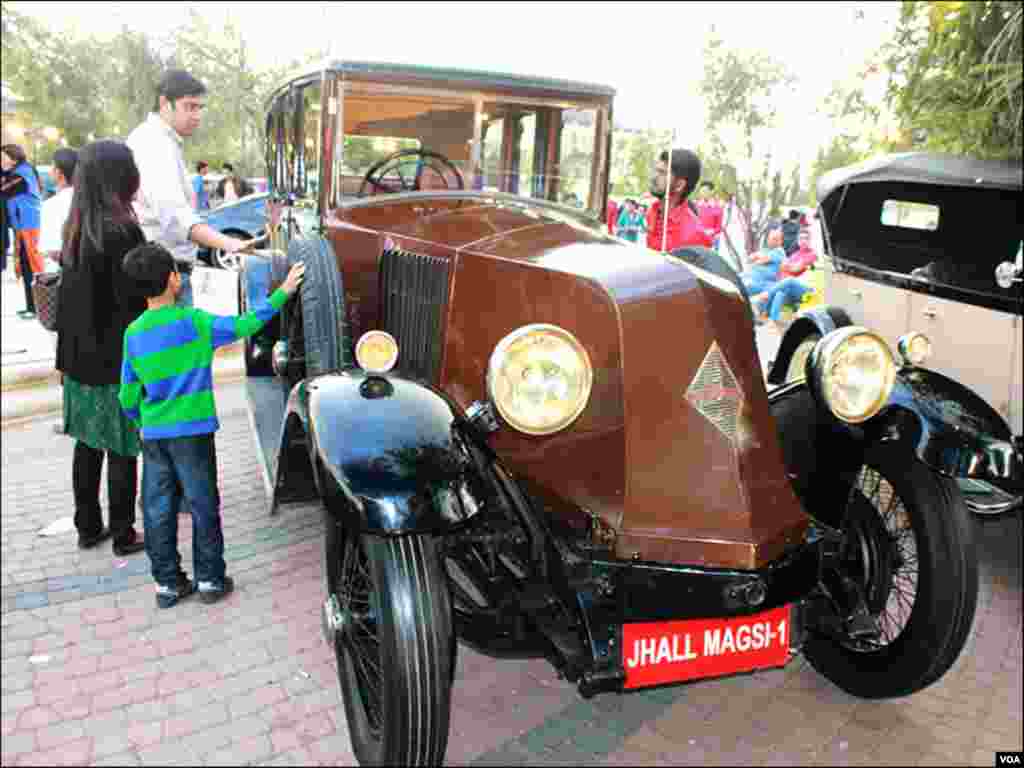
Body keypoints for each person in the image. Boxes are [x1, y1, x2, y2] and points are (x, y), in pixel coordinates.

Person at [120, 243, 305, 608]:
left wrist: (142, 421)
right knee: (203, 503)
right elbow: (246, 324)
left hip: (155, 436)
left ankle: (168, 585)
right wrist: (284, 291)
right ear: (174, 280)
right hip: (193, 434)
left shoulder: (133, 333)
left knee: (158, 509)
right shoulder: (195, 322)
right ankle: (209, 579)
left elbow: (127, 395)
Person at [55, 140, 149, 556]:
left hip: (77, 357)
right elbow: (134, 300)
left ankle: (87, 526)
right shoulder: (122, 230)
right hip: (115, 358)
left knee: (88, 444)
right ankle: (124, 531)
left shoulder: (76, 227)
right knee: (123, 446)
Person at [126, 69, 250, 308]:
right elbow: (175, 217)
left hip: (168, 270)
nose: (196, 116)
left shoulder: (164, 141)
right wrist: (229, 243)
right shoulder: (154, 143)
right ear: (165, 103)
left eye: (199, 108)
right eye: (189, 106)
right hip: (162, 278)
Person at [1, 144, 44, 318]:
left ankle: (38, 307)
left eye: (3, 157)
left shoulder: (21, 174)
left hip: (29, 225)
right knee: (26, 266)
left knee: (33, 266)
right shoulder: (18, 171)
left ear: (13, 157)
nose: (1, 161)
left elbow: (4, 189)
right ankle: (31, 307)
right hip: (23, 225)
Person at [646, 149, 713, 252]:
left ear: (680, 185)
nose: (653, 177)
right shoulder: (653, 211)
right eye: (656, 170)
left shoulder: (694, 235)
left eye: (662, 173)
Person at [752, 229, 818, 333]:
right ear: (798, 240)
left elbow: (794, 269)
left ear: (810, 240)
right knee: (781, 290)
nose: (803, 241)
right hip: (790, 289)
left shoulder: (812, 254)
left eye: (806, 238)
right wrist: (788, 266)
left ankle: (763, 299)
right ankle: (771, 320)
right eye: (801, 238)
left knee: (789, 280)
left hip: (806, 290)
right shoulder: (794, 255)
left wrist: (788, 266)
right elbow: (784, 268)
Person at [40, 147, 79, 264]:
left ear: (59, 172)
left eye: (52, 166)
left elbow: (53, 251)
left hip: (64, 273)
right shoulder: (92, 199)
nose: (50, 171)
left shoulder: (52, 205)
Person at [740, 226, 785, 298]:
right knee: (734, 280)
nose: (770, 241)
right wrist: (757, 257)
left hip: (762, 282)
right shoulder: (765, 250)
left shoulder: (779, 251)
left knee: (741, 287)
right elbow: (749, 259)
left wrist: (757, 257)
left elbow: (764, 259)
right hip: (750, 277)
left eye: (774, 239)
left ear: (780, 241)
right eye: (769, 238)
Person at [696, 181, 724, 245]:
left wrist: (709, 232)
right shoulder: (696, 205)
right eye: (701, 191)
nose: (702, 193)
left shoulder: (718, 207)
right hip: (697, 239)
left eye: (705, 191)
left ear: (712, 191)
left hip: (711, 240)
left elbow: (718, 228)